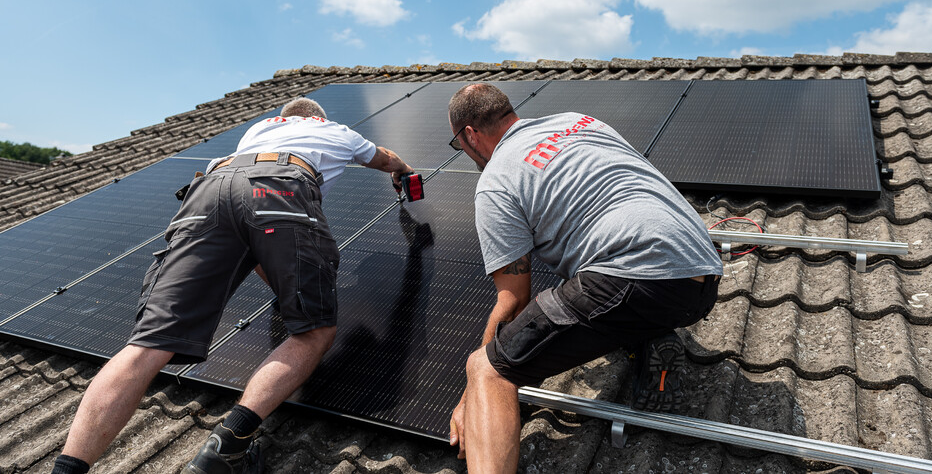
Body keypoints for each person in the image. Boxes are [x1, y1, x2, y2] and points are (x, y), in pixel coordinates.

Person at [52, 97, 414, 474]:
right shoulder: (333, 129)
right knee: (314, 331)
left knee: (147, 344)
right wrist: (401, 169)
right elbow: (384, 157)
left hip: (209, 189)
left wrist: (283, 283)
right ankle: (226, 448)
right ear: (316, 119)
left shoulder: (258, 130)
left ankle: (66, 469)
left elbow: (252, 235)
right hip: (279, 187)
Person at [445, 83, 723, 473]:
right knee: (600, 306)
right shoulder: (579, 122)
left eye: (459, 145)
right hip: (702, 271)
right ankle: (650, 334)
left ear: (469, 134)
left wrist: (472, 393)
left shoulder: (496, 179)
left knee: (489, 370)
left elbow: (513, 301)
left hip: (633, 272)